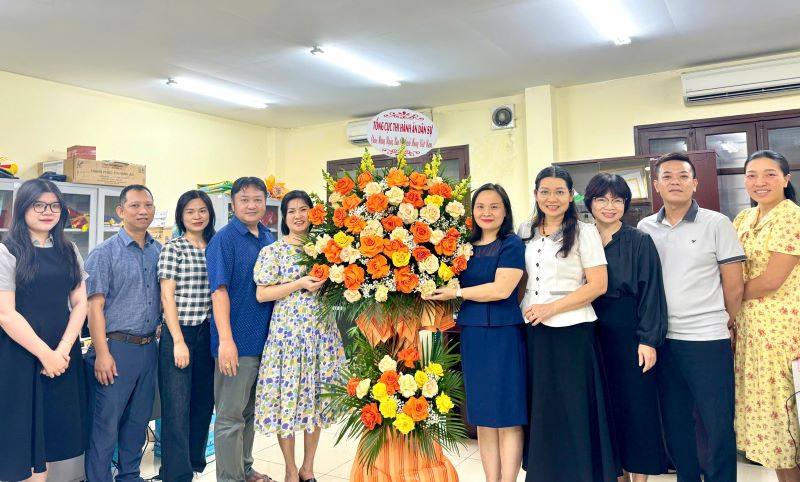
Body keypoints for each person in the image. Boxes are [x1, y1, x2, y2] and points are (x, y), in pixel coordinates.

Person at [638, 152, 744, 482]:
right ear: (656, 185)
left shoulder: (717, 223)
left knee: (716, 423)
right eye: (667, 176)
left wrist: (725, 321)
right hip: (663, 341)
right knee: (676, 422)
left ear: (695, 183)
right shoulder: (644, 228)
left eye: (683, 176)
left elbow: (734, 285)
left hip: (706, 339)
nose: (675, 182)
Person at [519, 166, 618, 482]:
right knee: (543, 407)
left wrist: (552, 308)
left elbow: (598, 285)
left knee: (574, 407)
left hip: (573, 330)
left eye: (560, 192)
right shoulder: (526, 230)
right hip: (533, 329)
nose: (552, 198)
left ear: (571, 195)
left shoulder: (585, 232)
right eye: (545, 191)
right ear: (536, 194)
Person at [425, 183, 527, 482]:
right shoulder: (463, 246)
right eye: (480, 206)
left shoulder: (512, 244)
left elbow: (502, 289)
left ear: (505, 211)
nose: (487, 212)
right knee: (482, 415)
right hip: (472, 333)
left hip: (504, 334)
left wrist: (457, 292)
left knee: (507, 414)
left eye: (494, 206)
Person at [253, 190, 345, 482]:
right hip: (288, 338)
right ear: (284, 217)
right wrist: (299, 283)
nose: (298, 215)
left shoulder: (326, 250)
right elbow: (262, 294)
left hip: (321, 336)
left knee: (315, 402)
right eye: (291, 210)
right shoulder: (273, 251)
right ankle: (290, 470)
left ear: (312, 213)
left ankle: (308, 468)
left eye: (303, 209)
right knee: (287, 402)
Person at [0, 179, 88, 482]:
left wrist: (62, 350)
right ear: (23, 207)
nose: (47, 211)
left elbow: (80, 302)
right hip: (20, 354)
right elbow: (5, 313)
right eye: (39, 205)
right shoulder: (7, 251)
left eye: (54, 205)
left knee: (49, 438)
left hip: (61, 354)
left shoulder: (69, 249)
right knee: (22, 442)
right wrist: (45, 355)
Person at [584, 173, 668, 482]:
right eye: (602, 199)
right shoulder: (581, 238)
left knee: (636, 411)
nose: (609, 206)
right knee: (605, 411)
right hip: (591, 334)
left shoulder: (639, 240)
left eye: (617, 200)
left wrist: (648, 340)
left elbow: (651, 293)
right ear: (590, 203)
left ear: (625, 204)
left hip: (631, 333)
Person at [84, 184, 162, 482]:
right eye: (135, 206)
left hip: (148, 348)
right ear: (120, 211)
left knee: (137, 422)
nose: (143, 211)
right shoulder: (104, 253)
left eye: (148, 205)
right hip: (116, 348)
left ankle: (130, 476)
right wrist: (102, 354)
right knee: (105, 425)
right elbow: (94, 307)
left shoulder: (158, 251)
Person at [732, 150, 800, 482]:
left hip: (784, 334)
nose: (760, 181)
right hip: (751, 334)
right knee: (771, 428)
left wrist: (729, 295)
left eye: (770, 174)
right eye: (752, 175)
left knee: (789, 422)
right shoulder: (743, 218)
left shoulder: (792, 217)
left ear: (786, 179)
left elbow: (772, 280)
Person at [206, 176, 276, 482]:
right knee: (230, 417)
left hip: (266, 342)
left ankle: (245, 470)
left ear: (265, 203)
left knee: (249, 414)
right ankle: (229, 478)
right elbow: (218, 291)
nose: (251, 205)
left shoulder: (268, 237)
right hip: (236, 341)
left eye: (257, 199)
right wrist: (226, 341)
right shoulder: (224, 240)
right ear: (233, 204)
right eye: (244, 199)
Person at [157, 190, 217, 482]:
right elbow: (166, 297)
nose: (197, 216)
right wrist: (178, 341)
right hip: (179, 333)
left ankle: (192, 465)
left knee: (204, 404)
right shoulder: (174, 248)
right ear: (181, 216)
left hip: (209, 332)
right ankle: (175, 475)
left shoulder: (215, 246)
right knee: (176, 407)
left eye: (202, 210)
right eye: (190, 211)